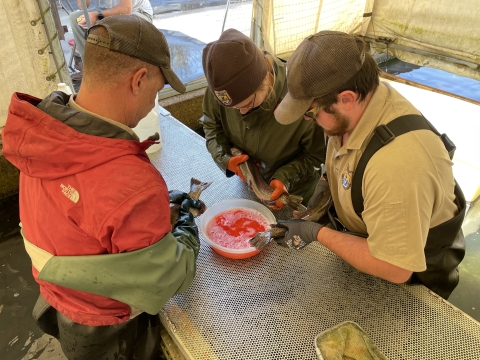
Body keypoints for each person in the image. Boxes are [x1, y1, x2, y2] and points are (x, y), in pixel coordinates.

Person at [3, 15, 198, 359]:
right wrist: (185, 227)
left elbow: (81, 218)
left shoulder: (38, 136)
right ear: (138, 80)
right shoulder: (132, 182)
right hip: (111, 328)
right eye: (156, 91)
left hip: (60, 302)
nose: (153, 103)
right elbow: (166, 278)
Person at [272, 30, 466, 299]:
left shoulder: (396, 166)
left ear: (347, 98)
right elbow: (343, 162)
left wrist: (314, 232)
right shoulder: (360, 105)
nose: (308, 120)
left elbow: (395, 268)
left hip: (409, 285)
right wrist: (323, 192)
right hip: (366, 236)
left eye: (311, 112)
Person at [201, 29, 326, 210]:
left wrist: (285, 177)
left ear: (266, 78)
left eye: (248, 104)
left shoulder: (303, 100)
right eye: (233, 108)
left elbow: (315, 157)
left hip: (294, 192)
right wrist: (223, 157)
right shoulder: (222, 90)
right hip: (251, 184)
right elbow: (211, 125)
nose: (241, 113)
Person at [69, 0, 153, 79]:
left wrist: (96, 14)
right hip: (116, 13)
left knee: (117, 24)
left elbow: (126, 9)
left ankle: (121, 72)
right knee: (75, 18)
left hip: (138, 13)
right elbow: (82, 6)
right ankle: (92, 71)